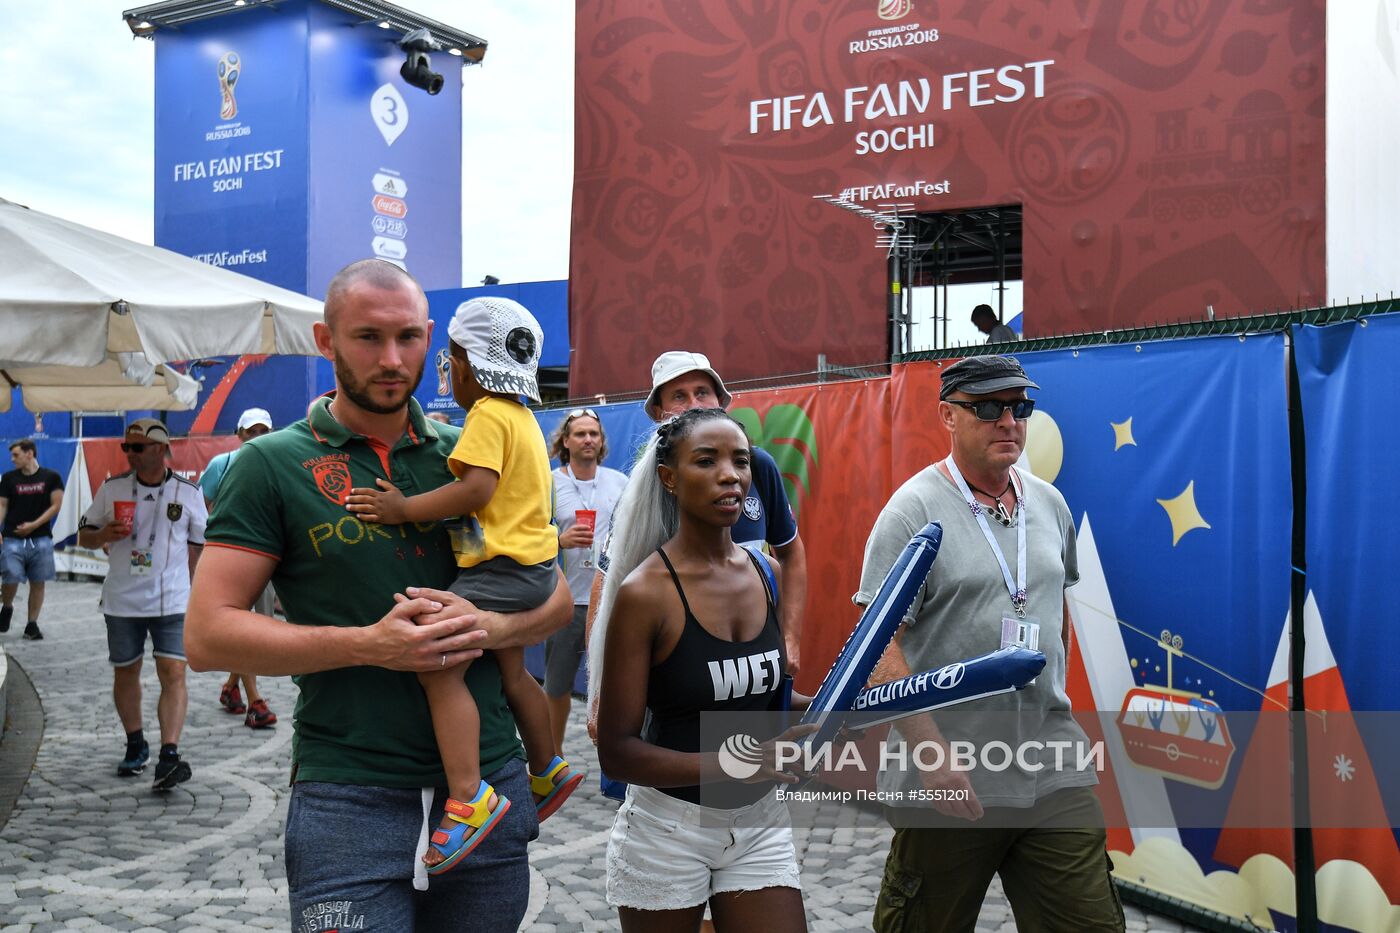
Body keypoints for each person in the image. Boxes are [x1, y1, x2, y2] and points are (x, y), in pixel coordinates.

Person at [186, 259, 573, 931]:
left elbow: (557, 597)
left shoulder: (469, 452)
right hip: (348, 796)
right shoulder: (271, 463)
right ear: (325, 340)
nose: (391, 359)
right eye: (367, 337)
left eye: (407, 338)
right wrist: (373, 645)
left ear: (432, 338)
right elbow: (207, 634)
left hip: (490, 790)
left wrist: (482, 627)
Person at [855, 356, 1123, 932]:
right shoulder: (913, 511)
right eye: (987, 408)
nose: (1008, 421)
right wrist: (930, 753)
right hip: (952, 774)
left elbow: (1054, 619)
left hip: (1051, 766)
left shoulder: (1048, 504)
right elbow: (877, 645)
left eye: (1019, 407)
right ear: (948, 416)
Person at [346, 295, 585, 873]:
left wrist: (403, 509)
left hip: (499, 572)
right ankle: (548, 766)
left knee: (437, 662)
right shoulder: (524, 416)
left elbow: (476, 490)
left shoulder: (487, 416)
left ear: (464, 363)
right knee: (510, 670)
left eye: (447, 362)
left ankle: (469, 797)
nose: (445, 372)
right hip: (531, 572)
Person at [592, 407, 814, 932]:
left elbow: (761, 694)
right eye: (707, 461)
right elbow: (617, 751)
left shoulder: (767, 572)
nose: (730, 474)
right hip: (669, 830)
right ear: (670, 478)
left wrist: (847, 702)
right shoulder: (646, 593)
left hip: (758, 823)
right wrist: (730, 764)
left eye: (740, 461)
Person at [588, 350, 808, 678]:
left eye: (702, 393)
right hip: (675, 667)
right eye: (679, 396)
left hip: (753, 659)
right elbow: (607, 579)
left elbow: (791, 553)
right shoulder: (643, 489)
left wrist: (789, 637)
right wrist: (599, 688)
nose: (693, 405)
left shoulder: (757, 466)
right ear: (659, 413)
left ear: (720, 402)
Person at [78, 419, 206, 790]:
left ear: (160, 448)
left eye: (137, 447)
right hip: (122, 601)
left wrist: (192, 584)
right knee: (125, 672)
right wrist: (102, 534)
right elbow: (84, 534)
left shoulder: (187, 492)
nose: (129, 454)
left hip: (172, 601)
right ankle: (136, 744)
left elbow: (200, 543)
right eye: (126, 448)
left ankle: (169, 755)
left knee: (173, 672)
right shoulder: (112, 488)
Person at [545, 407, 626, 750]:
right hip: (564, 602)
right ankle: (551, 759)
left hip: (610, 601)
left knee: (615, 686)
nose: (588, 439)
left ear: (602, 440)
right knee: (557, 687)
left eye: (594, 433)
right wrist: (557, 540)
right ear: (565, 441)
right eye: (580, 433)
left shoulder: (618, 483)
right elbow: (528, 533)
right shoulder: (550, 482)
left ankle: (617, 755)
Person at [199, 407, 278, 729]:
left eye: (263, 431)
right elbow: (202, 508)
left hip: (269, 557)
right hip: (233, 558)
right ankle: (255, 702)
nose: (256, 437)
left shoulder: (277, 466)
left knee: (260, 630)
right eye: (251, 431)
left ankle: (232, 686)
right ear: (239, 434)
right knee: (244, 630)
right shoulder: (222, 464)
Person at [0, 439, 65, 640]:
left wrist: (34, 525)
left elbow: (56, 506)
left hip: (41, 538)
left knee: (38, 582)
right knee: (10, 575)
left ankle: (32, 624)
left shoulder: (51, 477)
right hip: (13, 537)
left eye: (16, 455)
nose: (12, 459)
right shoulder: (9, 478)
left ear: (30, 454)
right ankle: (7, 606)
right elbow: (2, 505)